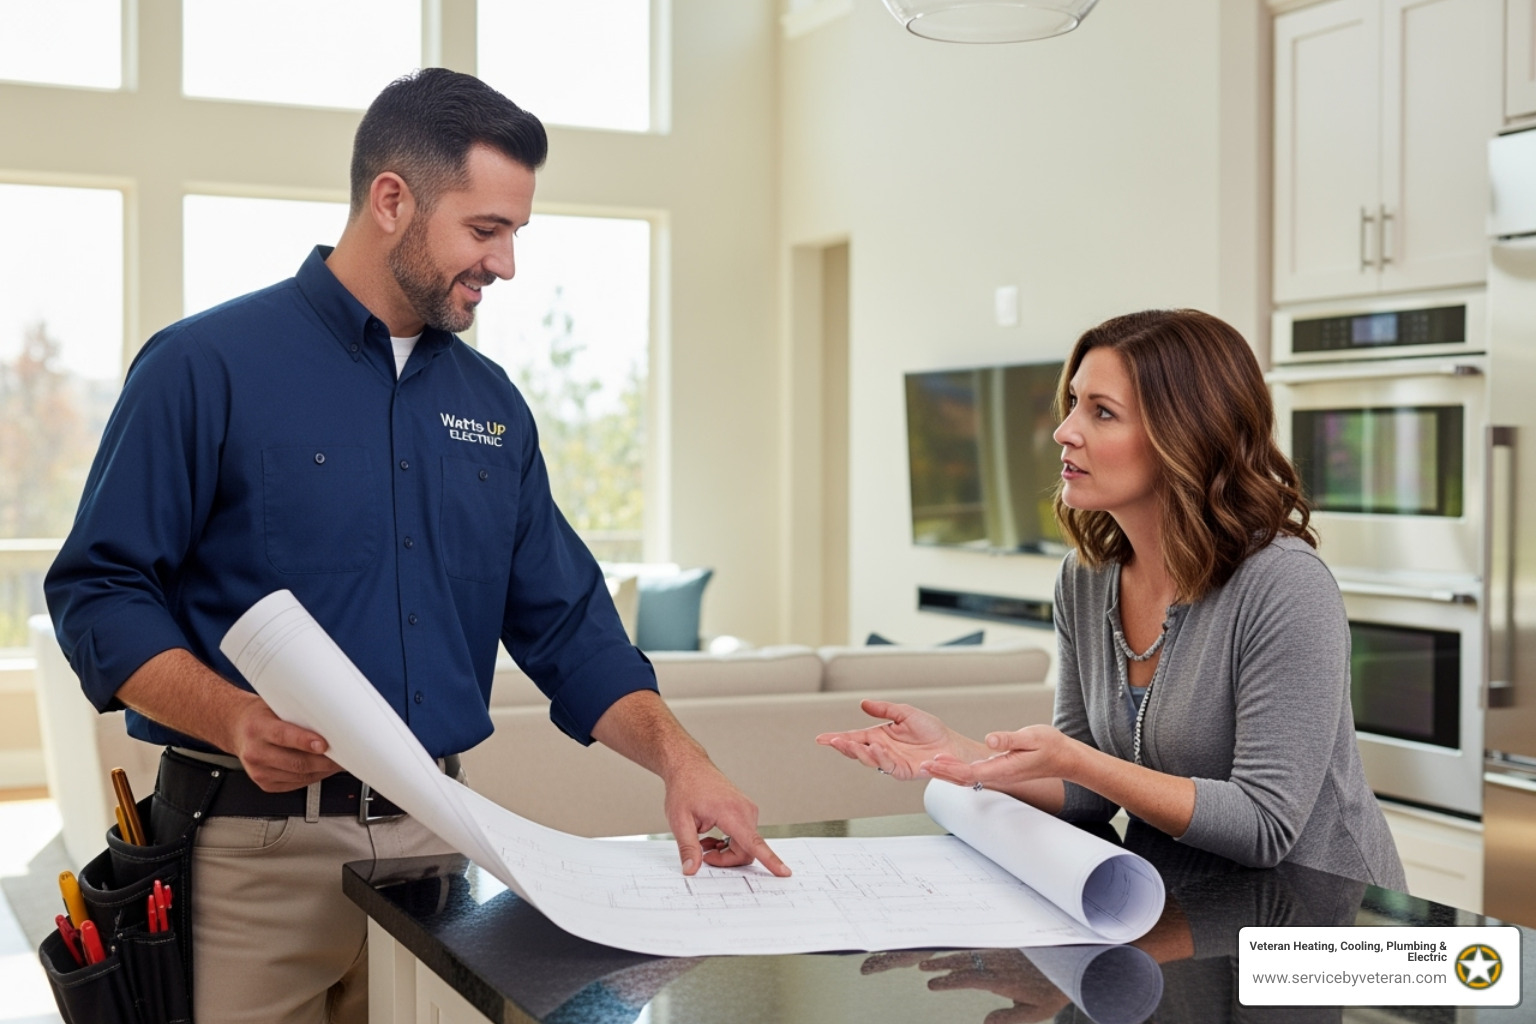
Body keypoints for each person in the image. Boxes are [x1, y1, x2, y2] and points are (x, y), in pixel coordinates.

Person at [45, 68, 786, 1024]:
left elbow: (572, 630)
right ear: (391, 199)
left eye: (517, 231)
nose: (508, 263)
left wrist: (684, 762)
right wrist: (231, 716)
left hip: (441, 853)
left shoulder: (492, 410)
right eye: (486, 230)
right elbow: (98, 591)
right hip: (249, 858)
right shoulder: (203, 366)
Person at [817, 309, 1405, 889]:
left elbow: (1264, 826)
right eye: (1073, 403)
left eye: (1102, 412)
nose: (1064, 431)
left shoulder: (1282, 585)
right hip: (1184, 900)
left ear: (1186, 436)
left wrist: (1077, 760)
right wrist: (962, 759)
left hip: (1325, 915)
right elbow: (1085, 796)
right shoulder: (1085, 578)